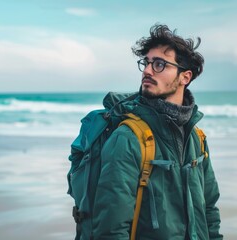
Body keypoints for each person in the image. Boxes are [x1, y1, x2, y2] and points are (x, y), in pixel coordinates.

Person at [92, 24, 223, 239]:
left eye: (160, 64)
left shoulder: (197, 138)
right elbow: (111, 230)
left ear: (185, 77)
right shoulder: (128, 138)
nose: (147, 70)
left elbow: (209, 210)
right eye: (147, 62)